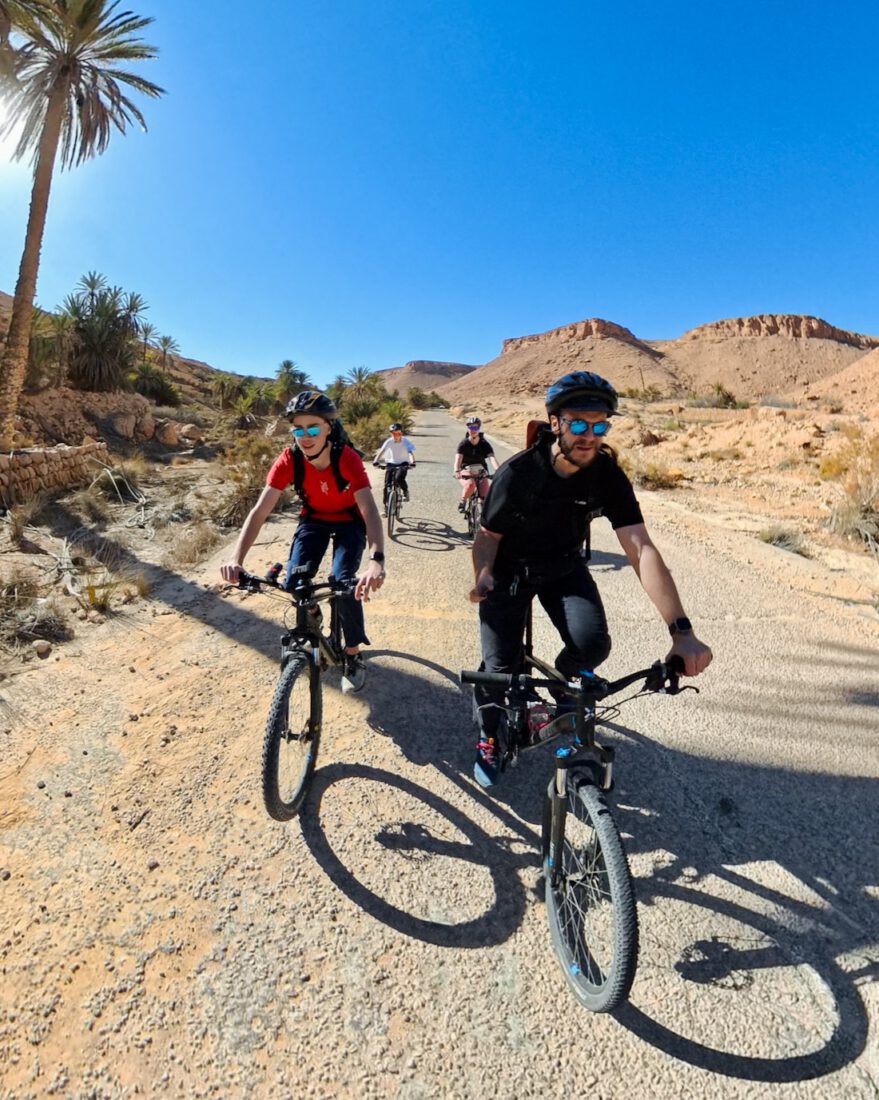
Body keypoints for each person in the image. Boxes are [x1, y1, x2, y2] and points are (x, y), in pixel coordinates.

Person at [468, 371, 712, 787]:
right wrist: (484, 574)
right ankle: (489, 735)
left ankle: (563, 682)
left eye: (600, 425)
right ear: (556, 423)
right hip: (508, 571)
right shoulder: (520, 473)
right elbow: (487, 536)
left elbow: (640, 548)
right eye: (578, 424)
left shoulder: (607, 474)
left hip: (563, 567)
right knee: (500, 669)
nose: (589, 435)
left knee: (592, 645)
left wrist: (681, 630)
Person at [220, 390, 386, 694]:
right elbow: (259, 512)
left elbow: (369, 510)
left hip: (350, 520)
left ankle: (352, 655)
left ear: (328, 428)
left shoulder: (346, 458)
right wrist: (236, 559)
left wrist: (377, 559)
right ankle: (312, 621)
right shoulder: (289, 460)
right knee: (295, 582)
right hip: (314, 519)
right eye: (298, 429)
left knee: (345, 582)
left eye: (312, 428)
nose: (305, 436)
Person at [454, 416, 498, 512]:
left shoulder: (484, 444)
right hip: (465, 470)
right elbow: (458, 459)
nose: (473, 430)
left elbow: (492, 458)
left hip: (481, 471)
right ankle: (463, 501)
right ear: (468, 429)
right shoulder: (464, 444)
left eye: (475, 428)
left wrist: (498, 470)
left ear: (479, 429)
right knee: (471, 484)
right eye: (471, 427)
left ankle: (480, 521)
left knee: (485, 498)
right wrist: (457, 470)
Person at [373, 423, 416, 509]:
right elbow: (381, 452)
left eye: (398, 433)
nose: (396, 435)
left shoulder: (405, 441)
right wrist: (375, 461)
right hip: (391, 463)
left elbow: (410, 453)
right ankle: (386, 507)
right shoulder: (389, 441)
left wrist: (412, 462)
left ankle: (405, 492)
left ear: (401, 433)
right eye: (393, 433)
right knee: (387, 486)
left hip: (403, 463)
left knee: (399, 478)